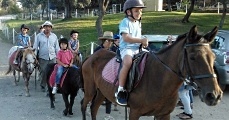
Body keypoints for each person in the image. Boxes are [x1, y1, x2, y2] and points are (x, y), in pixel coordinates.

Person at [115, 0, 148, 106]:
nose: (139, 13)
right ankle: (120, 90)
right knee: (128, 62)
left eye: (141, 11)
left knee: (152, 58)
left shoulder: (138, 23)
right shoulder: (125, 22)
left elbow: (138, 37)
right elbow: (126, 38)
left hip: (137, 48)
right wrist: (141, 40)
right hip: (127, 48)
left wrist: (143, 42)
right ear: (129, 12)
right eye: (137, 11)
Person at [94, 31, 116, 120]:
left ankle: (107, 115)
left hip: (109, 75)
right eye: (108, 41)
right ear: (104, 41)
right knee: (95, 95)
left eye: (111, 41)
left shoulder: (113, 51)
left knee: (109, 95)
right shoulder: (98, 50)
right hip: (98, 75)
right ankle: (92, 109)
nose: (110, 43)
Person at [33, 21, 60, 92]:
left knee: (52, 72)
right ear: (44, 27)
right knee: (44, 72)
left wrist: (59, 57)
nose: (47, 28)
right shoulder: (39, 36)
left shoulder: (54, 36)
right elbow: (35, 47)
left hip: (52, 57)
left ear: (51, 28)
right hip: (43, 57)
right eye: (46, 27)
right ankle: (43, 84)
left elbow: (57, 48)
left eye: (49, 27)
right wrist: (35, 56)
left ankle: (50, 86)